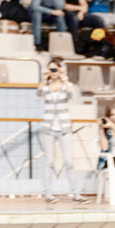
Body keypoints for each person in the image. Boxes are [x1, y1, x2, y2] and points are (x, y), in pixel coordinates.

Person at [37, 59, 89, 204]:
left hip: (64, 127)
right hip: (48, 127)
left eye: (55, 70)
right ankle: (47, 193)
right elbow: (38, 96)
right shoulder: (45, 86)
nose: (53, 73)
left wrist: (64, 77)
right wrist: (43, 78)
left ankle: (76, 194)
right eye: (51, 70)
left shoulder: (67, 85)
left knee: (69, 161)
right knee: (49, 161)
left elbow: (72, 96)